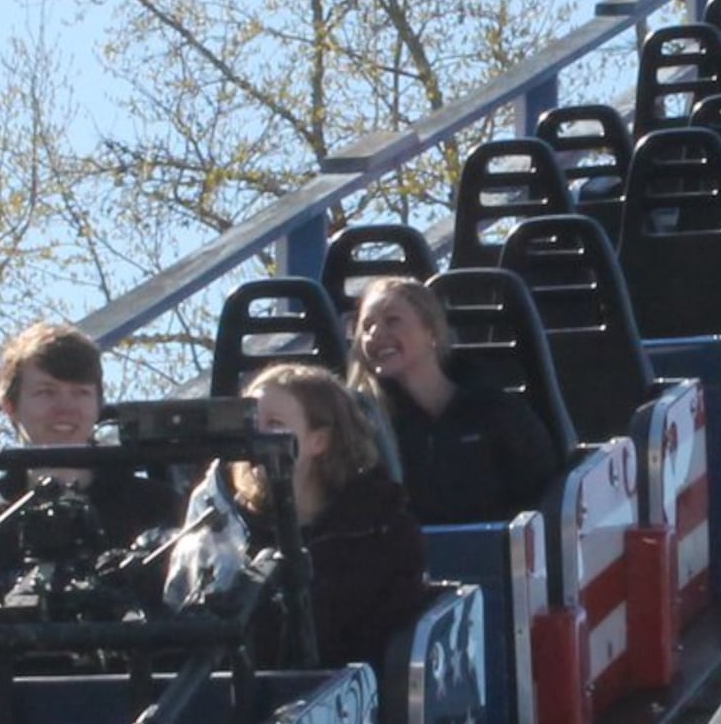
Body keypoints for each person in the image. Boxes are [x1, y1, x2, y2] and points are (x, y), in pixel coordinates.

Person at [241, 362, 430, 670]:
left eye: (273, 424)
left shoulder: (381, 532)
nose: (255, 438)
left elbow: (376, 655)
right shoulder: (229, 529)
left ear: (319, 440)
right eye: (250, 423)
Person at [0, 321, 179, 582]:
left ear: (99, 404)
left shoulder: (157, 509)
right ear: (10, 405)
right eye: (47, 392)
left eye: (80, 393)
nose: (65, 408)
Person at [349, 276, 564, 527]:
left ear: (431, 332)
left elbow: (544, 498)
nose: (375, 334)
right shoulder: (363, 427)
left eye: (392, 321)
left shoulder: (497, 411)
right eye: (367, 326)